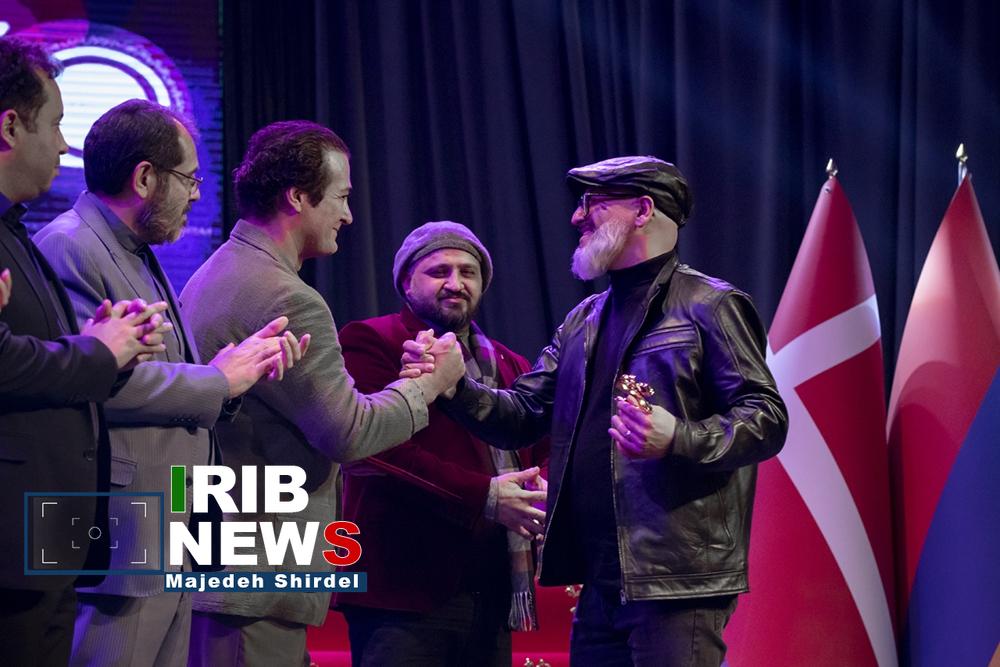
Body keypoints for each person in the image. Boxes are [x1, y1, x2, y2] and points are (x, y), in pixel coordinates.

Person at [405, 156, 789, 666]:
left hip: (675, 579)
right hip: (601, 578)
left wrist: (679, 436)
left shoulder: (710, 305)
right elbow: (522, 413)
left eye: (593, 203)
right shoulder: (583, 319)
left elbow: (766, 416)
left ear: (643, 210)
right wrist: (454, 385)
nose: (576, 216)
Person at [33, 99, 307, 667]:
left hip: (165, 531)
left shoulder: (133, 248)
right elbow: (89, 380)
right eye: (189, 179)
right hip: (118, 534)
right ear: (144, 178)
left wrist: (234, 371)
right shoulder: (70, 246)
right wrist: (216, 381)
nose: (197, 195)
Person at [179, 121, 465, 666]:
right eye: (341, 197)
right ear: (297, 198)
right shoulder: (287, 297)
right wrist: (429, 383)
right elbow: (348, 432)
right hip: (253, 577)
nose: (349, 215)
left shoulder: (219, 269)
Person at [0, 36, 168, 666]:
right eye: (56, 124)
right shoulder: (59, 237)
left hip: (41, 543)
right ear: (10, 127)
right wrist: (98, 353)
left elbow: (36, 353)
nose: (64, 145)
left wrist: (106, 344)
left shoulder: (15, 230)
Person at [334, 221, 548, 666]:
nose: (456, 283)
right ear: (405, 282)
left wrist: (539, 489)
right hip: (402, 589)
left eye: (469, 272)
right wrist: (486, 495)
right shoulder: (372, 340)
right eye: (439, 271)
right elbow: (378, 450)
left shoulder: (509, 362)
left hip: (491, 587)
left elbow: (540, 446)